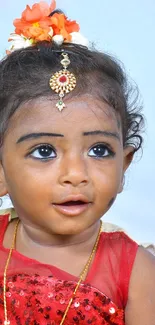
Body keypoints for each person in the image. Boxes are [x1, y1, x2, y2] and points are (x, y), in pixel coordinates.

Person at [0, 1, 155, 324]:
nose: (75, 174)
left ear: (124, 166)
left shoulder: (137, 272)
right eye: (44, 151)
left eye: (99, 150)